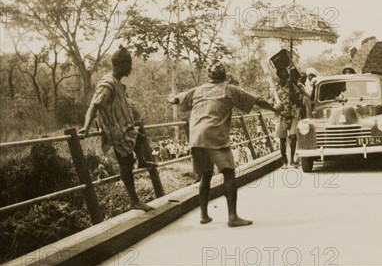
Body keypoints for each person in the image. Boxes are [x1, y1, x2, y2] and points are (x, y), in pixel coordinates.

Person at [168, 62, 283, 227]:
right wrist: (275, 109)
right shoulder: (229, 89)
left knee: (205, 175)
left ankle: (204, 215)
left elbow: (178, 98)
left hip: (196, 137)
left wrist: (172, 98)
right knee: (228, 173)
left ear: (209, 76)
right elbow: (257, 101)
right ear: (224, 76)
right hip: (215, 135)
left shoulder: (198, 90)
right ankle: (232, 216)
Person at [78, 46, 154, 211]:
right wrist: (86, 127)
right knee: (126, 163)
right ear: (120, 64)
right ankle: (134, 201)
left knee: (140, 136)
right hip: (115, 131)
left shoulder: (117, 83)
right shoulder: (107, 84)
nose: (130, 68)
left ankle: (141, 161)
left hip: (126, 127)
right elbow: (94, 106)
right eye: (128, 64)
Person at [274, 68, 305, 169]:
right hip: (281, 114)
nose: (284, 75)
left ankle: (292, 160)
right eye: (281, 74)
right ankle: (284, 162)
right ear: (279, 75)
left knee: (293, 136)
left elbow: (298, 97)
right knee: (282, 139)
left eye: (285, 74)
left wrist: (293, 95)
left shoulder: (292, 85)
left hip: (293, 112)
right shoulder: (276, 87)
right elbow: (276, 101)